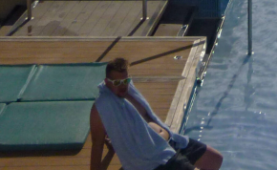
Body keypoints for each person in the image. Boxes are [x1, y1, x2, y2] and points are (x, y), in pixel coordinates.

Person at [91, 57, 222, 170]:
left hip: (171, 141)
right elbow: (97, 144)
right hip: (155, 158)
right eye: (117, 82)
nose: (123, 86)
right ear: (107, 82)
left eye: (125, 80)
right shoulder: (102, 107)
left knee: (215, 160)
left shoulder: (129, 91)